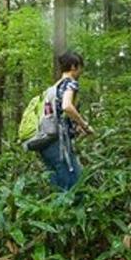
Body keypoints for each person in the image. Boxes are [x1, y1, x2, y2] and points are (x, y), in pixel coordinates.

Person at [37, 51, 92, 192]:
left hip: (44, 142)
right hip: (58, 143)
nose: (81, 71)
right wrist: (84, 125)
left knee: (58, 187)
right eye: (80, 67)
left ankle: (59, 213)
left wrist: (74, 127)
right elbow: (66, 106)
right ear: (74, 67)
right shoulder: (70, 84)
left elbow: (57, 114)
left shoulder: (52, 89)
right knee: (75, 185)